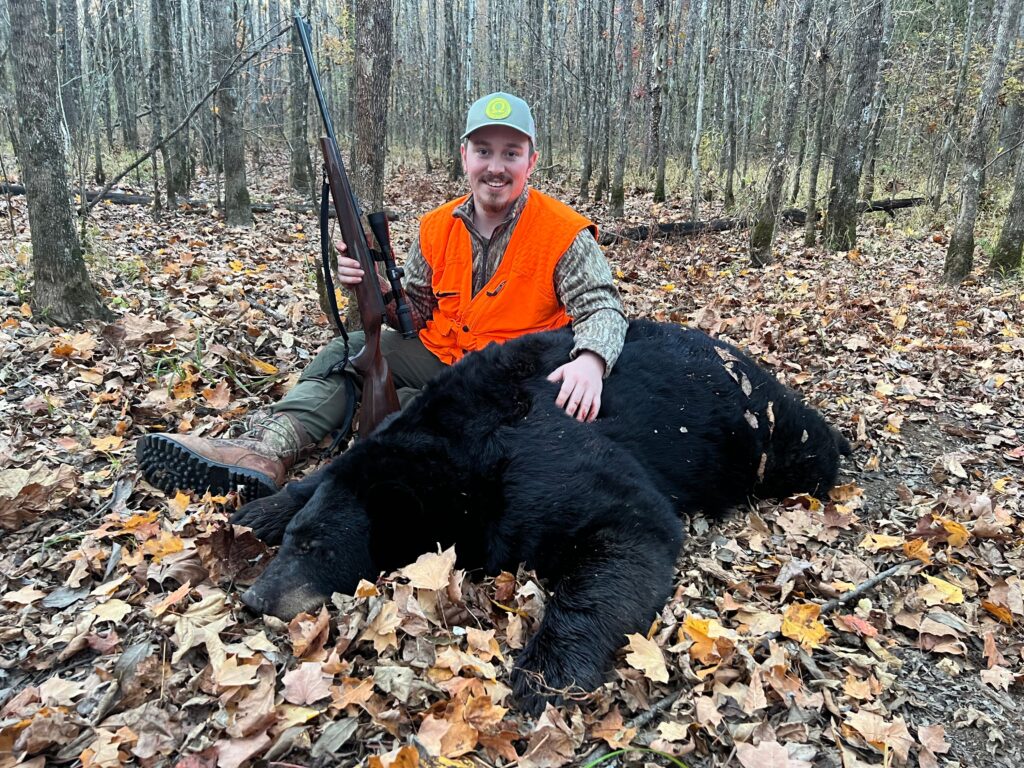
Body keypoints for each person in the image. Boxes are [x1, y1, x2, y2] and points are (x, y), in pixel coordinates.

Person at [137, 92, 627, 500]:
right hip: (440, 352)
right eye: (483, 151)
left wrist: (590, 361)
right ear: (464, 156)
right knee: (347, 353)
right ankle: (267, 447)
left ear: (531, 161)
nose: (495, 167)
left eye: (510, 153)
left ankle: (348, 475)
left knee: (419, 409)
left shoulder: (562, 232)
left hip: (506, 378)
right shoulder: (436, 227)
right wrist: (369, 285)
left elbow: (603, 305)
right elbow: (411, 310)